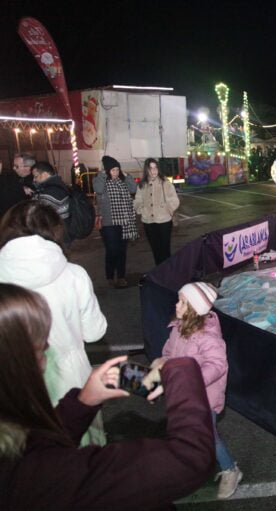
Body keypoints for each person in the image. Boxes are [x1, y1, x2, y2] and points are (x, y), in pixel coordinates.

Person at [0, 283, 216, 510]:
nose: (47, 350)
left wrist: (82, 402)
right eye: (40, 350)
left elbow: (34, 445)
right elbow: (190, 458)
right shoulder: (43, 477)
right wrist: (177, 367)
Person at [0, 200, 108, 445]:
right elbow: (94, 331)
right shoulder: (73, 274)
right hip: (72, 382)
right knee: (81, 459)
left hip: (16, 386)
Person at [147, 281, 242, 500]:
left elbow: (218, 365)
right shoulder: (178, 328)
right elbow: (169, 351)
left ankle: (230, 469)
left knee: (209, 436)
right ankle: (190, 465)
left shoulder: (209, 338)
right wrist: (162, 362)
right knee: (184, 431)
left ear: (194, 310)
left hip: (204, 398)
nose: (176, 304)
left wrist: (192, 379)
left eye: (182, 301)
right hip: (182, 393)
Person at [93, 155, 138, 288]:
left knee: (122, 251)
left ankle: (121, 276)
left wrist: (127, 175)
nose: (115, 172)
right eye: (112, 170)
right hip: (109, 223)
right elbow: (98, 190)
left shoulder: (122, 181)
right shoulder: (100, 181)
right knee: (112, 250)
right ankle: (110, 275)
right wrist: (102, 174)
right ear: (106, 171)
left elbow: (134, 189)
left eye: (117, 169)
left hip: (125, 221)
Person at [134, 158, 180, 265]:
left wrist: (167, 209)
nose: (154, 171)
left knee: (165, 250)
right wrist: (141, 209)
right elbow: (137, 200)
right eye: (151, 168)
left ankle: (167, 273)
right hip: (148, 221)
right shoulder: (142, 184)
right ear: (146, 170)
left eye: (155, 168)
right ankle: (159, 272)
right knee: (155, 250)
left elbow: (174, 199)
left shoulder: (165, 182)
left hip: (164, 221)